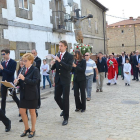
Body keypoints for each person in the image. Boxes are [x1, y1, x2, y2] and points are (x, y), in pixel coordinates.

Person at [14, 53, 40, 138]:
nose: (24, 62)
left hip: (32, 94)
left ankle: (33, 130)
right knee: (22, 111)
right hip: (23, 94)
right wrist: (17, 81)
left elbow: (35, 82)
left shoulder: (35, 69)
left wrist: (24, 79)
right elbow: (21, 82)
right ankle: (26, 128)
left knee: (32, 112)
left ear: (31, 61)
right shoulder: (22, 69)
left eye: (25, 61)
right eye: (23, 61)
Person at [51, 40, 73, 126]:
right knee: (56, 97)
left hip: (65, 80)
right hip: (58, 80)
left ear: (65, 47)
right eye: (59, 45)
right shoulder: (57, 55)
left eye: (61, 46)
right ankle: (64, 109)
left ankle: (66, 118)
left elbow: (69, 68)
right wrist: (52, 64)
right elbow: (54, 68)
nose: (59, 47)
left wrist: (59, 61)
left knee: (66, 98)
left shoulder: (69, 56)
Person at [0, 49, 17, 114]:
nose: (3, 56)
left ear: (8, 54)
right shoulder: (3, 63)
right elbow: (2, 73)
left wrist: (3, 69)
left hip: (10, 82)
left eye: (4, 54)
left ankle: (21, 110)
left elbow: (11, 73)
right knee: (3, 99)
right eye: (2, 54)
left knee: (14, 97)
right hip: (4, 82)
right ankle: (2, 114)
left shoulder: (13, 62)